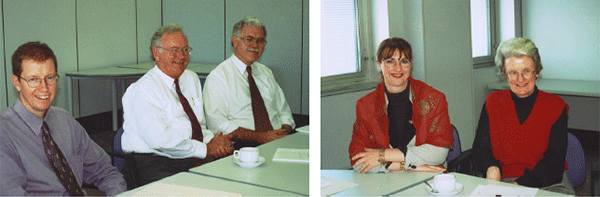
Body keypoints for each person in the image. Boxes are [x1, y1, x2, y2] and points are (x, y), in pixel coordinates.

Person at [0, 42, 126, 195]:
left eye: (50, 78)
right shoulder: (4, 133)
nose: (44, 88)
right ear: (17, 83)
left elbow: (105, 171)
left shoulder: (64, 120)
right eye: (33, 79)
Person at [121, 23, 234, 185]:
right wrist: (207, 149)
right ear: (156, 53)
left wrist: (218, 141)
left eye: (185, 50)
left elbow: (197, 127)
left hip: (189, 153)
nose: (181, 56)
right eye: (174, 50)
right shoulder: (143, 90)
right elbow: (160, 141)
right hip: (153, 161)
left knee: (232, 175)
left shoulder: (191, 78)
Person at [472, 38, 575, 194]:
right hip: (503, 181)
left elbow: (553, 165)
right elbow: (480, 149)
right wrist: (491, 168)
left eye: (526, 71)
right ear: (504, 75)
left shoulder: (556, 106)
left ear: (537, 71)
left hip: (548, 183)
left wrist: (517, 187)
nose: (520, 79)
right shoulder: (492, 103)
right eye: (513, 73)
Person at [349, 37, 454, 173]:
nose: (398, 68)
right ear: (379, 64)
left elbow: (439, 153)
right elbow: (358, 159)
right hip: (387, 181)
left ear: (411, 64)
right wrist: (408, 166)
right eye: (390, 61)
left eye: (404, 61)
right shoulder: (366, 105)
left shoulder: (434, 99)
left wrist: (383, 156)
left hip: (427, 179)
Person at [203, 17, 295, 148]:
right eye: (249, 39)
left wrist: (283, 133)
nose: (255, 45)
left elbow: (284, 112)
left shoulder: (266, 72)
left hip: (278, 142)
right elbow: (218, 125)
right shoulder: (218, 77)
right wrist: (263, 137)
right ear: (235, 41)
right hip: (242, 148)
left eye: (260, 41)